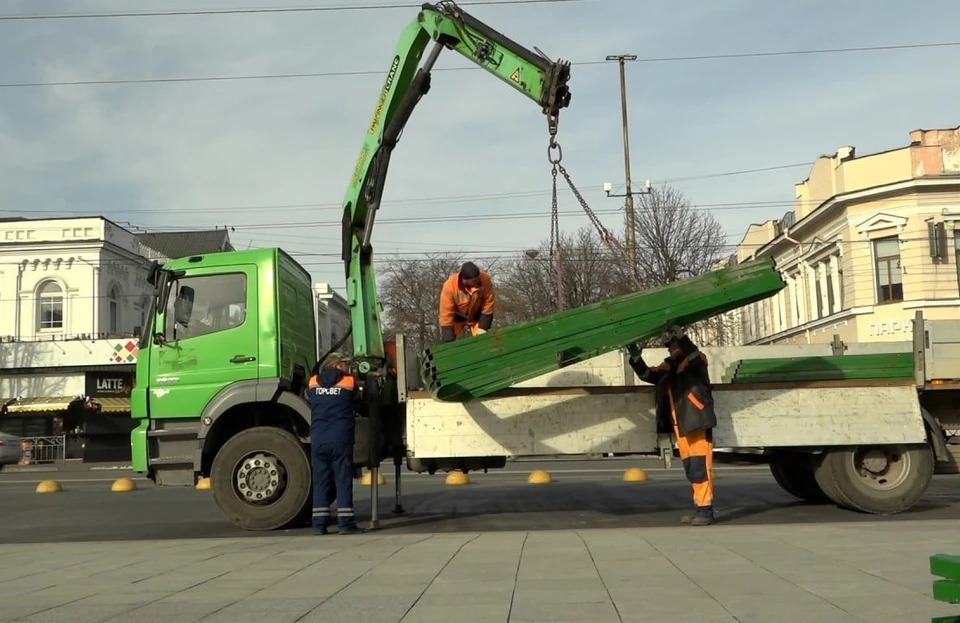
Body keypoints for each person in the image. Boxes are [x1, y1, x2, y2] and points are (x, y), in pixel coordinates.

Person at [625, 326, 717, 526]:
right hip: (682, 425)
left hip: (697, 422)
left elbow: (693, 355)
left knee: (701, 468)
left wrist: (682, 338)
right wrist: (636, 358)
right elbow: (648, 374)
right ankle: (699, 508)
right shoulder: (669, 366)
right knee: (692, 469)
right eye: (669, 346)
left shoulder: (696, 360)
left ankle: (705, 511)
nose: (669, 349)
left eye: (672, 344)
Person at [306, 352, 363, 535]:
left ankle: (319, 525)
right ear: (338, 365)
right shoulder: (348, 382)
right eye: (346, 364)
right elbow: (358, 399)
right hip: (340, 439)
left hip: (319, 439)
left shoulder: (313, 382)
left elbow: (309, 398)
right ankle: (346, 524)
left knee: (321, 481)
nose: (348, 367)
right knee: (342, 480)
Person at [438, 261, 495, 343]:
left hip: (477, 316)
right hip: (456, 318)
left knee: (483, 340)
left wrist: (483, 328)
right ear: (465, 280)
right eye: (475, 280)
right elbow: (446, 313)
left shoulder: (485, 279)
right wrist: (448, 337)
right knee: (448, 343)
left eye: (479, 277)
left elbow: (488, 303)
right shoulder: (449, 286)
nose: (478, 281)